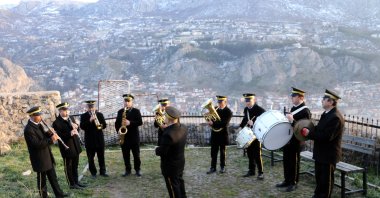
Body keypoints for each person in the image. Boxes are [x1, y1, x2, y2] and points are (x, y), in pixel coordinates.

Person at [299, 89, 344, 198]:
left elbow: (326, 136)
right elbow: (319, 129)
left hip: (328, 154)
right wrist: (309, 129)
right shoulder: (326, 114)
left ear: (331, 102)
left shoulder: (335, 117)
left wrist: (310, 134)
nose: (321, 100)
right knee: (319, 177)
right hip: (321, 153)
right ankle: (317, 195)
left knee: (326, 181)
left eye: (324, 99)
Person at [24, 106, 69, 198]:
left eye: (40, 115)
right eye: (38, 115)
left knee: (53, 178)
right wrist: (51, 140)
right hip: (39, 159)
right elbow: (36, 144)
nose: (41, 117)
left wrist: (49, 133)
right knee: (42, 180)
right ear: (32, 116)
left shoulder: (39, 125)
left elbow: (44, 136)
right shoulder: (28, 129)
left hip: (47, 156)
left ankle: (59, 194)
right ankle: (43, 196)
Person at [276, 87, 311, 192]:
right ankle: (287, 180)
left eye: (294, 96)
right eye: (292, 96)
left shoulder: (305, 111)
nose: (292, 98)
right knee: (286, 160)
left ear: (301, 97)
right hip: (288, 138)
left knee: (294, 161)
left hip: (297, 140)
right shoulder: (293, 108)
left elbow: (305, 129)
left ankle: (294, 182)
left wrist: (292, 121)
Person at [155, 106, 187, 198]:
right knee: (179, 181)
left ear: (168, 118)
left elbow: (162, 151)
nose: (163, 117)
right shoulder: (183, 128)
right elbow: (173, 134)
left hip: (170, 167)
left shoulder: (168, 134)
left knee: (173, 187)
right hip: (180, 162)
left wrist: (156, 149)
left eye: (164, 115)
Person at [52, 102, 86, 189]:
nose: (67, 112)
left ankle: (76, 182)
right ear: (60, 111)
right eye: (64, 110)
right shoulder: (56, 123)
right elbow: (59, 136)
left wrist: (77, 127)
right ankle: (71, 184)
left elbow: (76, 130)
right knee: (68, 167)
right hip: (67, 148)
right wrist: (69, 133)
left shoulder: (71, 118)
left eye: (67, 109)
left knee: (75, 165)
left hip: (75, 146)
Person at [238, 93, 266, 180]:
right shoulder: (246, 109)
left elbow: (264, 122)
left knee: (257, 154)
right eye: (246, 100)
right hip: (248, 134)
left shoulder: (260, 110)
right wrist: (241, 126)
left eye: (249, 100)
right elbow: (245, 119)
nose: (247, 102)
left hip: (257, 134)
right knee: (249, 153)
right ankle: (251, 170)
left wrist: (254, 123)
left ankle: (261, 173)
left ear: (254, 100)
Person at [115, 94, 143, 177]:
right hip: (124, 137)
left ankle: (137, 170)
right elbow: (116, 123)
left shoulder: (136, 111)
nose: (126, 103)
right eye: (125, 101)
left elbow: (140, 122)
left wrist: (130, 123)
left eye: (128, 101)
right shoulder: (120, 111)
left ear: (132, 102)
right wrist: (119, 132)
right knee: (125, 155)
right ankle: (128, 170)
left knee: (136, 155)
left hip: (134, 137)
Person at [80, 100, 108, 178]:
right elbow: (82, 126)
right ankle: (93, 173)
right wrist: (90, 120)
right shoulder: (83, 116)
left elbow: (104, 125)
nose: (91, 108)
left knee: (101, 157)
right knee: (90, 158)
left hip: (99, 139)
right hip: (90, 140)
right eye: (89, 107)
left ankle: (103, 171)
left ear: (94, 107)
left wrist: (100, 125)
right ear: (87, 107)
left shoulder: (100, 114)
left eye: (92, 106)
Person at [206, 95, 233, 174]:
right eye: (218, 102)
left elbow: (224, 123)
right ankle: (213, 167)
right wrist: (208, 119)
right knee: (213, 151)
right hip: (214, 133)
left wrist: (213, 123)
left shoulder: (228, 111)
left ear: (225, 102)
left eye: (221, 102)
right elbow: (210, 118)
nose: (219, 103)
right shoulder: (215, 109)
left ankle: (222, 167)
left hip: (222, 134)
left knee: (222, 151)